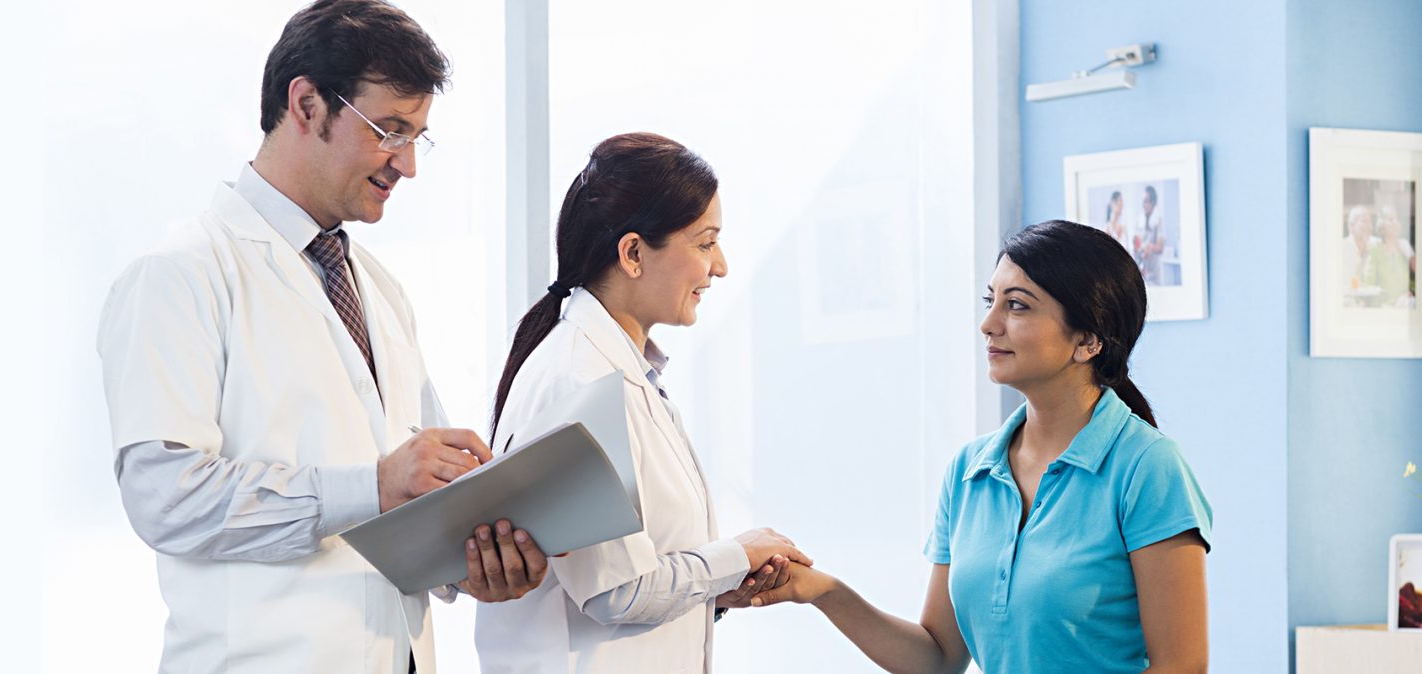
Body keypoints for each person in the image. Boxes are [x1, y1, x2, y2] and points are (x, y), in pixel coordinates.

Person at [96, 3, 546, 672]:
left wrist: (473, 558)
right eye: (390, 130)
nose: (409, 165)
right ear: (306, 104)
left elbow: (419, 497)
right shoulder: (181, 273)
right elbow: (165, 498)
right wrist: (371, 486)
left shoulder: (380, 290)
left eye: (419, 137)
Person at [747, 220, 1213, 674]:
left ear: (1088, 341)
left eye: (1018, 306)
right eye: (991, 300)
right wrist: (824, 590)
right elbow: (938, 658)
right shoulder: (969, 470)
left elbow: (1183, 665)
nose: (989, 324)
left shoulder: (1148, 467)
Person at [475, 132, 808, 673]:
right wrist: (733, 556)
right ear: (633, 253)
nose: (719, 266)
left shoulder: (619, 371)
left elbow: (627, 574)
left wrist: (714, 590)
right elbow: (616, 593)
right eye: (704, 243)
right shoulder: (580, 379)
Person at [1362, 205, 1416, 307]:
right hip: (1383, 307)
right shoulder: (1374, 251)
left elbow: (1420, 277)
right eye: (1390, 219)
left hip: (1405, 304)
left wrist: (1409, 293)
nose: (1395, 222)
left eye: (1396, 219)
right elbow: (1368, 285)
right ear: (1381, 225)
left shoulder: (1403, 248)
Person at [1340, 205, 1374, 297]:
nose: (1369, 226)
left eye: (1370, 222)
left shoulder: (1374, 245)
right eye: (1364, 221)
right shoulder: (1342, 248)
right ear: (1351, 225)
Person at [1135, 185, 1166, 284]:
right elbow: (1137, 244)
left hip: (1154, 273)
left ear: (1153, 203)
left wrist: (1150, 247)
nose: (1143, 204)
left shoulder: (1159, 221)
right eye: (1142, 201)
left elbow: (1160, 248)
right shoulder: (1139, 220)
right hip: (1142, 271)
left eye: (1146, 201)